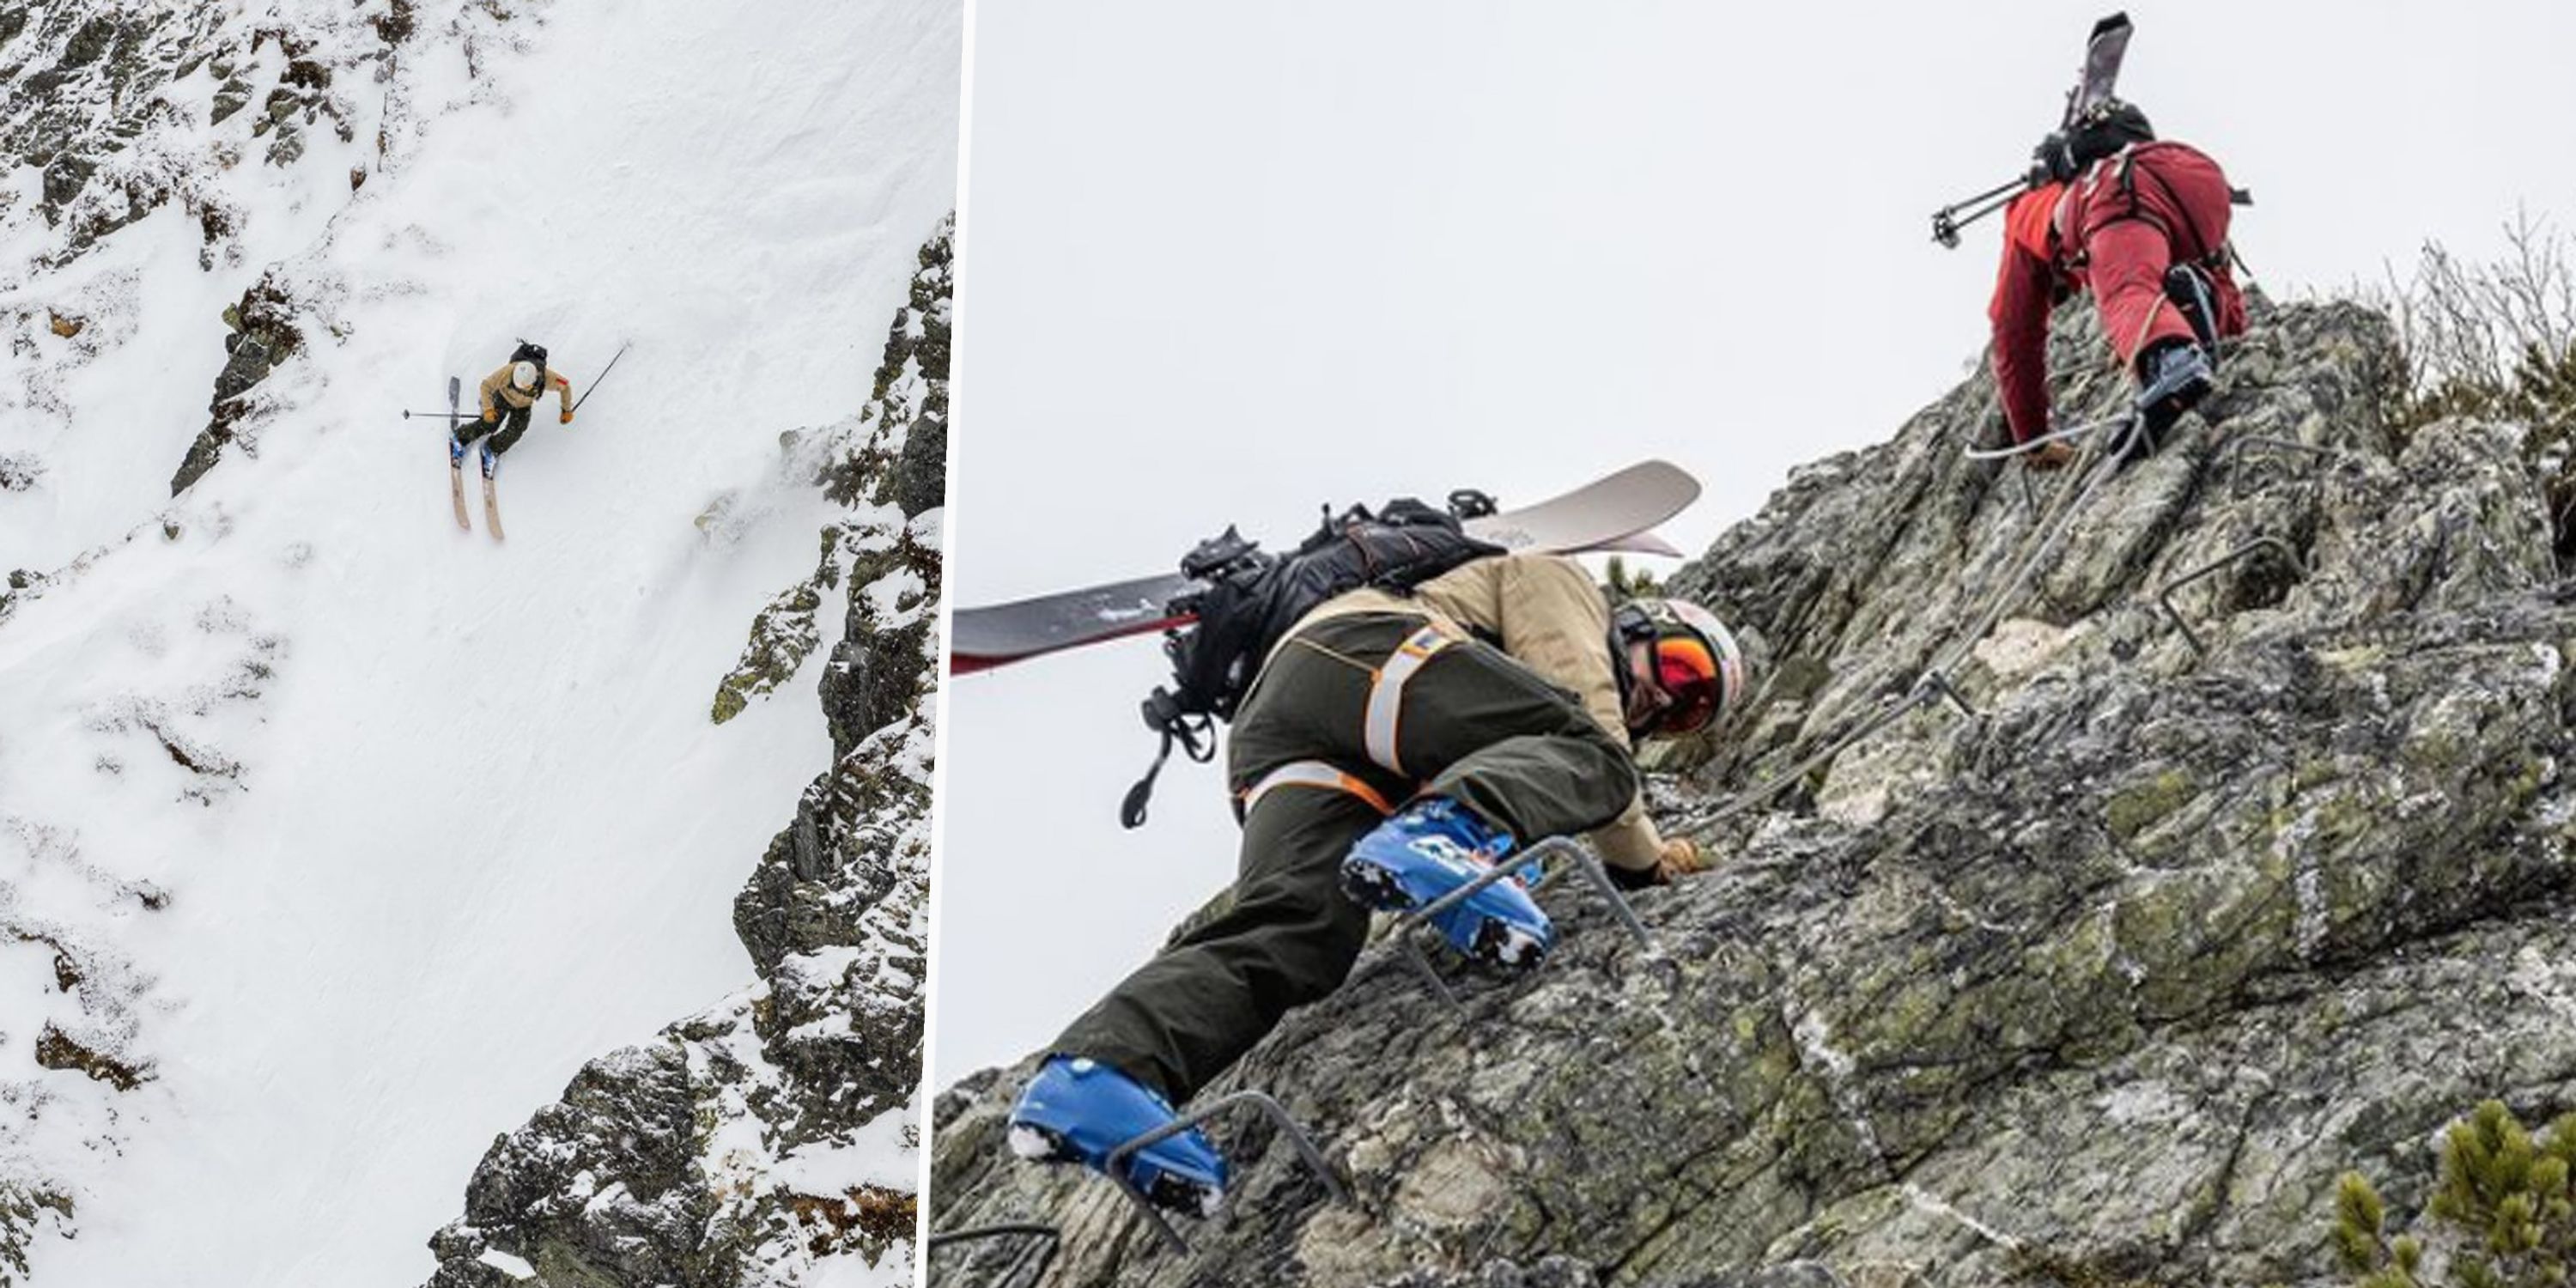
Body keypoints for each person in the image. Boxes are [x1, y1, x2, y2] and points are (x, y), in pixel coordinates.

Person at [1005, 552, 1747, 1216]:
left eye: (1688, 710)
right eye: (1679, 670)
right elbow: (1582, 698)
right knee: (1592, 754)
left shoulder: (1499, 724)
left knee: (1302, 927)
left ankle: (1098, 1076)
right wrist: (1645, 859)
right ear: (1637, 624)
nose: (1663, 701)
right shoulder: (1559, 579)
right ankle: (1442, 835)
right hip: (1364, 657)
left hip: (1289, 731)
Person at [1990, 100, 2246, 470]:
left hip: (2119, 197)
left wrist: (2031, 438)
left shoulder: (2029, 208)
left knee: (2126, 287)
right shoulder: (2151, 159)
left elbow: (2014, 328)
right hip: (2198, 183)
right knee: (2198, 275)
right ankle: (2195, 306)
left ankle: (2171, 358)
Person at [453, 345, 575, 468]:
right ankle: (461, 437)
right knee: (490, 424)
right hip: (503, 397)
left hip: (523, 406)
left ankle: (492, 448)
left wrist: (566, 410)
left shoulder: (547, 377)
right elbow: (486, 385)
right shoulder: (508, 371)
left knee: (515, 432)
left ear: (534, 380)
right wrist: (488, 409)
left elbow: (565, 387)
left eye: (524, 387)